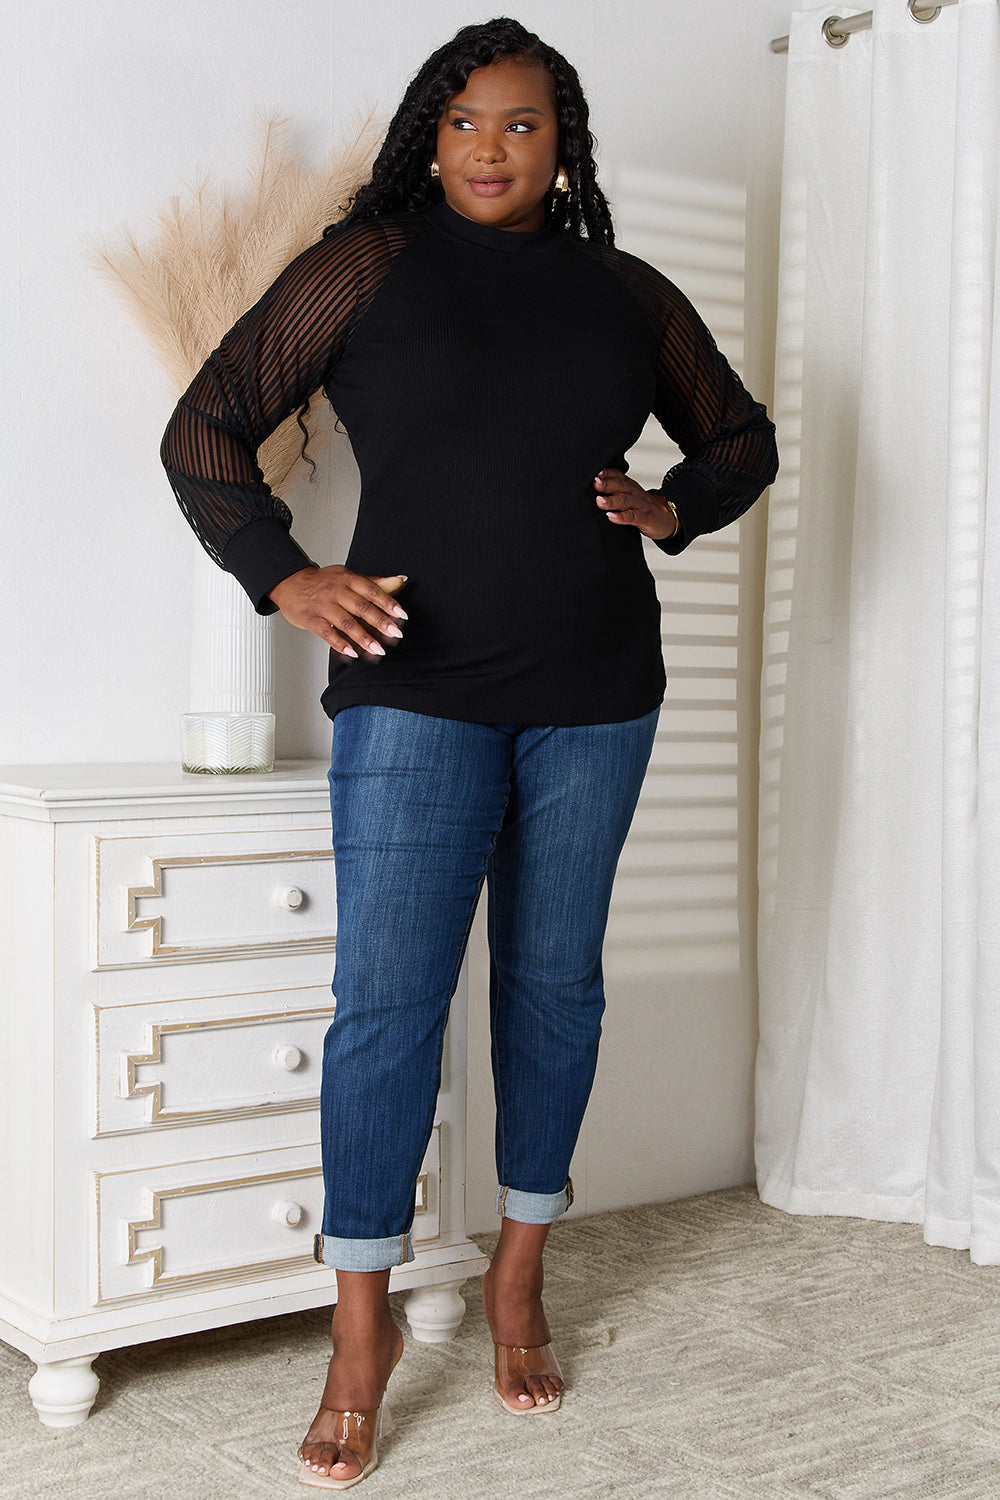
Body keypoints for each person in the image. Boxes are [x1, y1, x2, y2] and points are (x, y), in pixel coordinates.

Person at [161, 16, 778, 1489]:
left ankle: (517, 1276)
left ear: (562, 142)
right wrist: (284, 575)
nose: (490, 149)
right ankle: (360, 1330)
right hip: (413, 691)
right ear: (425, 138)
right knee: (386, 1007)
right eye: (462, 123)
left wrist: (671, 509)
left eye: (520, 124)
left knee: (554, 987)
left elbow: (741, 439)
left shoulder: (624, 291)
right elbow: (207, 429)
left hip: (596, 693)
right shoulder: (364, 269)